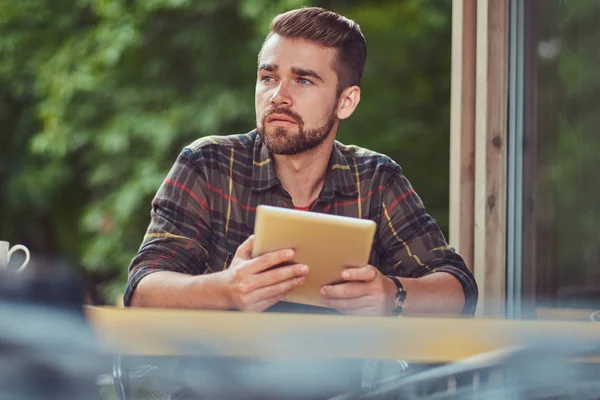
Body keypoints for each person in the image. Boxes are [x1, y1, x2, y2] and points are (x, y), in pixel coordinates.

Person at [125, 6, 478, 316]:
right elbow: (142, 289)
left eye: (303, 80)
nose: (278, 96)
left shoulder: (376, 178)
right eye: (268, 77)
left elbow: (459, 290)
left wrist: (392, 296)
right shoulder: (208, 164)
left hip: (340, 390)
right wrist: (225, 289)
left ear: (346, 102)